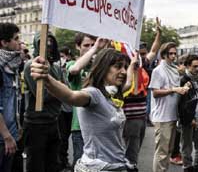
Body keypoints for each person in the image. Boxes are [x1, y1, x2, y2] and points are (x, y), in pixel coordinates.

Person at [30, 48, 139, 171]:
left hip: (116, 166)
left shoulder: (111, 94)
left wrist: (133, 65)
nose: (123, 71)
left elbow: (128, 83)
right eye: (118, 67)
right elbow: (71, 96)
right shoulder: (93, 94)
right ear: (103, 68)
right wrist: (46, 78)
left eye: (125, 67)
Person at [23, 31, 64, 172]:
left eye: (51, 42)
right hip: (36, 124)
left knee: (53, 165)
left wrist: (60, 89)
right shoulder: (32, 65)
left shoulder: (56, 67)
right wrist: (60, 89)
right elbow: (43, 96)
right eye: (43, 42)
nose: (48, 45)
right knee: (36, 166)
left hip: (53, 121)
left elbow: (68, 90)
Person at [149, 42, 189, 172]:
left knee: (169, 151)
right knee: (162, 153)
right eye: (170, 54)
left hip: (172, 115)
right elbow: (155, 93)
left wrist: (184, 86)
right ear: (164, 54)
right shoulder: (158, 71)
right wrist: (174, 90)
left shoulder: (174, 69)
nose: (173, 56)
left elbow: (177, 88)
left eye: (174, 53)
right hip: (162, 117)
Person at [66, 33, 105, 167]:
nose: (90, 48)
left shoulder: (99, 67)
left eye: (92, 45)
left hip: (100, 124)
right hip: (80, 127)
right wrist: (94, 49)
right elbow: (75, 70)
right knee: (81, 165)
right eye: (86, 45)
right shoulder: (72, 63)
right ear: (77, 47)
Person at [178, 54, 198, 172]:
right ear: (188, 66)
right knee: (187, 146)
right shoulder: (183, 80)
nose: (197, 69)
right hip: (187, 118)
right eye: (194, 66)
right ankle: (188, 167)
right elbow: (181, 103)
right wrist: (190, 119)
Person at [0, 23, 22, 172]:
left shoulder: (12, 66)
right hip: (3, 138)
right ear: (4, 42)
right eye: (16, 38)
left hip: (12, 135)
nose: (19, 42)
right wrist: (6, 136)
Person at [170, 54, 189, 166]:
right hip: (175, 108)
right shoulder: (178, 76)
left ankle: (176, 153)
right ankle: (174, 154)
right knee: (176, 133)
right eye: (186, 65)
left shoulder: (182, 76)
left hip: (179, 108)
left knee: (178, 133)